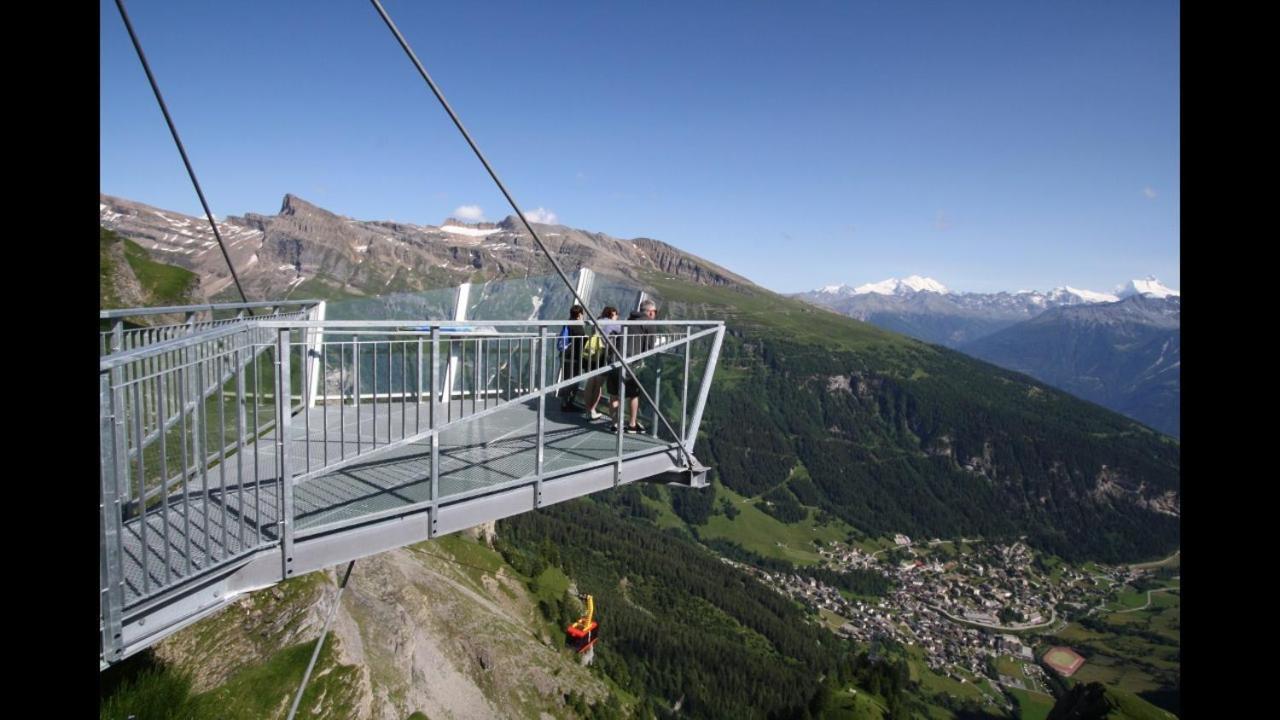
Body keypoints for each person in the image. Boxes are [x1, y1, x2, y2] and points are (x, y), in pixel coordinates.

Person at [610, 299, 658, 433]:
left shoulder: (629, 319)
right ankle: (632, 424)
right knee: (633, 394)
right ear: (650, 312)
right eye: (655, 312)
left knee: (614, 394)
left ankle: (614, 424)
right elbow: (650, 347)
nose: (655, 314)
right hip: (629, 362)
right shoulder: (649, 323)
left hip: (614, 359)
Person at [582, 306, 619, 420]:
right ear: (612, 314)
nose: (617, 317)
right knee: (598, 385)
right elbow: (623, 330)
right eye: (616, 315)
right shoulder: (613, 323)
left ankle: (588, 410)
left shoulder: (596, 321)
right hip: (603, 355)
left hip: (591, 355)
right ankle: (592, 410)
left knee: (590, 382)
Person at [557, 305, 587, 411]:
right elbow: (581, 343)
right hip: (573, 358)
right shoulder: (578, 328)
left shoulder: (568, 323)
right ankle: (567, 403)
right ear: (579, 315)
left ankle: (564, 401)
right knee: (573, 380)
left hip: (564, 356)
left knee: (566, 378)